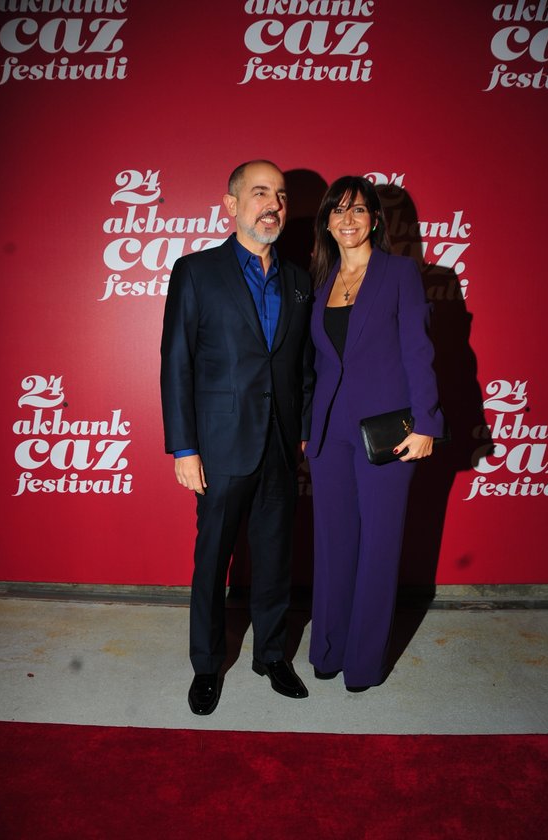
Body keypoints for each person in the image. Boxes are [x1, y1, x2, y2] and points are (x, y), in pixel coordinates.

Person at [160, 160, 314, 715]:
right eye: (259, 193)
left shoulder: (300, 280)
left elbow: (303, 366)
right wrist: (184, 447)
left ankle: (271, 654)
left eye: (280, 195)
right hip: (220, 445)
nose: (272, 204)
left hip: (280, 445)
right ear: (231, 205)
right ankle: (207, 665)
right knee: (213, 560)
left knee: (275, 557)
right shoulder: (196, 271)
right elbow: (176, 362)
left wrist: (303, 434)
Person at [305, 175, 444, 692]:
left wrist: (426, 422)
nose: (348, 220)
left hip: (387, 433)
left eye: (358, 210)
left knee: (379, 546)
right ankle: (328, 648)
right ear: (327, 222)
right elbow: (317, 365)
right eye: (338, 211)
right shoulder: (321, 281)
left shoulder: (399, 273)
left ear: (375, 220)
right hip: (329, 433)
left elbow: (418, 350)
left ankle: (362, 663)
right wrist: (309, 428)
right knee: (333, 544)